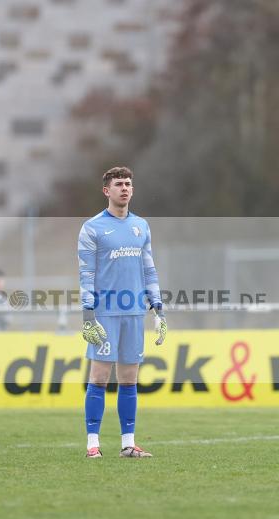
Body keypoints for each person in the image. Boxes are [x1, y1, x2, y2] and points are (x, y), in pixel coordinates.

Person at [78, 166, 167, 459]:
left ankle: (128, 443)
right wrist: (88, 314)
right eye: (119, 184)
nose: (125, 188)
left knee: (129, 380)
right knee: (99, 378)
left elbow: (148, 268)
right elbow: (86, 273)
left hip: (133, 313)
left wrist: (158, 307)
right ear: (107, 191)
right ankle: (93, 444)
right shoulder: (92, 228)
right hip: (105, 314)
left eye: (128, 183)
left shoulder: (141, 225)